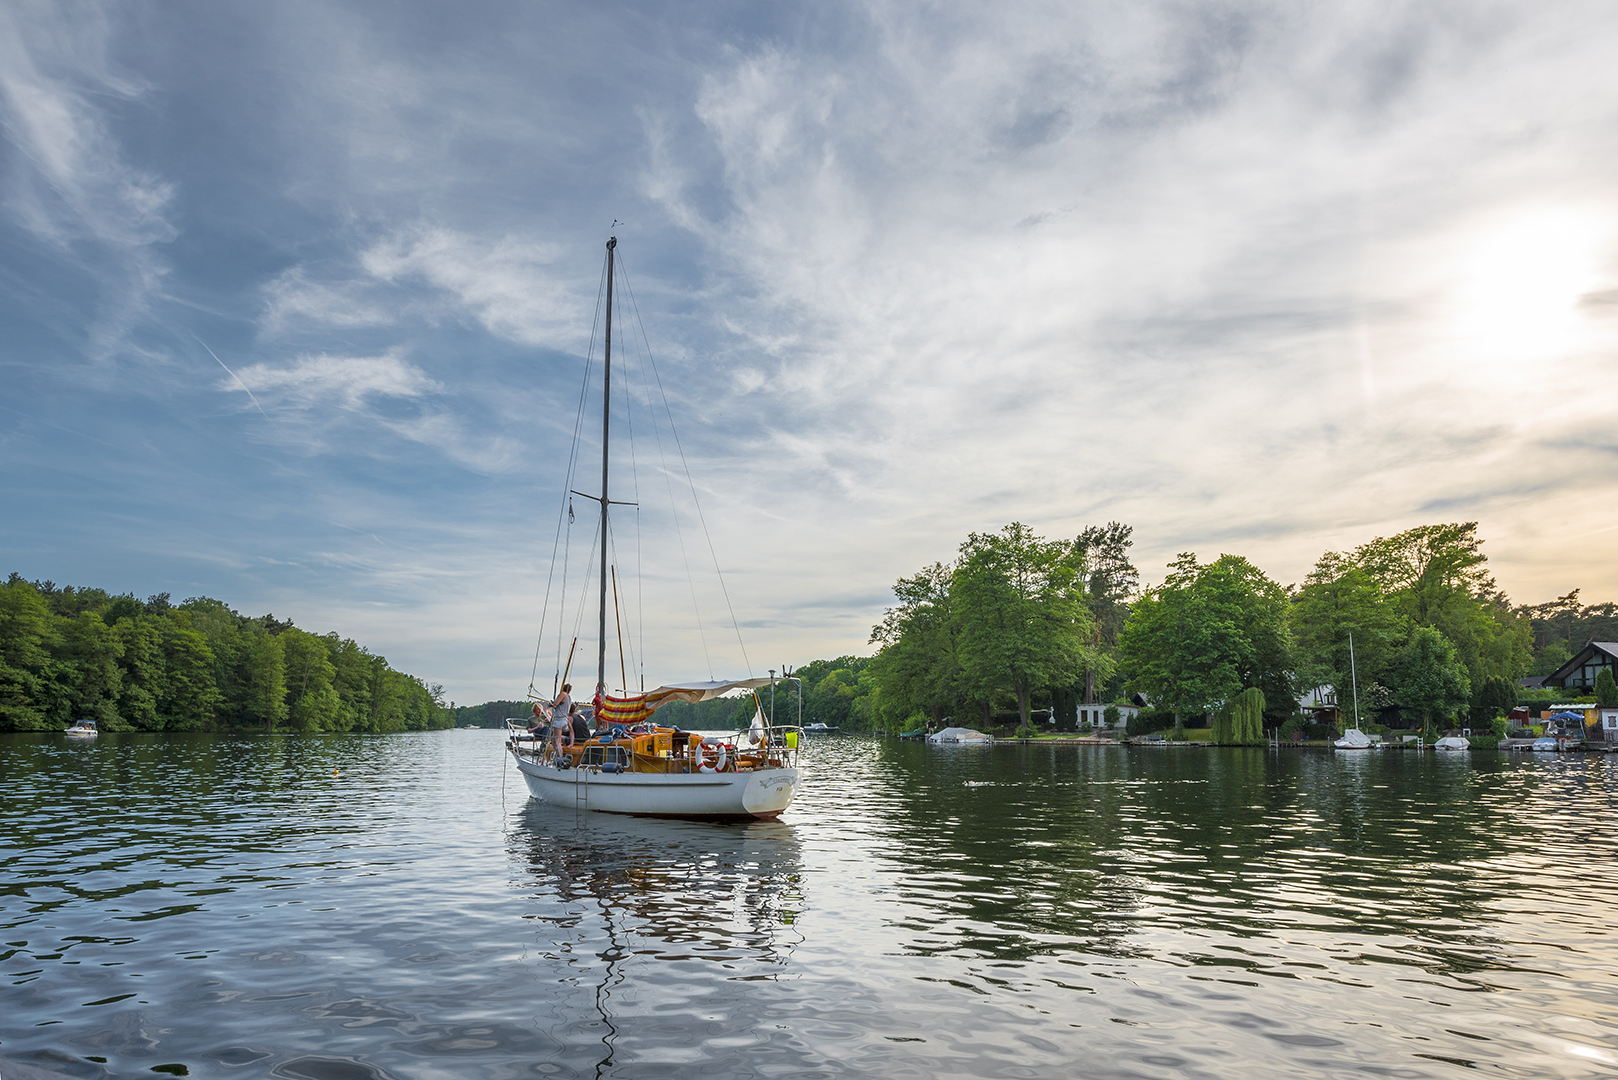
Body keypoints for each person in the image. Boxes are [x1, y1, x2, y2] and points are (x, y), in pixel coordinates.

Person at [548, 683, 573, 759]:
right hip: (564, 720)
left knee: (557, 740)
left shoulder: (563, 694)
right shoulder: (569, 697)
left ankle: (560, 758)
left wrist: (555, 700)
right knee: (553, 739)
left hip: (559, 719)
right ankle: (556, 755)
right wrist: (553, 706)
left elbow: (556, 703)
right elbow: (559, 706)